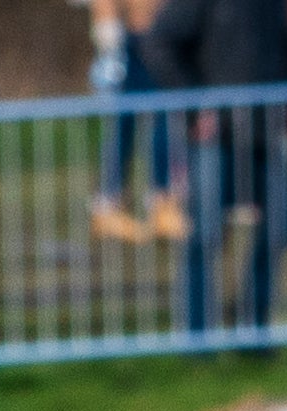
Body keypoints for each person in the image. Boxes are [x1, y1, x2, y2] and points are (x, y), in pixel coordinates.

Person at [143, 0, 287, 335]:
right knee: (204, 236)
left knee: (279, 229)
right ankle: (197, 337)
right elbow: (158, 42)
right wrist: (195, 105)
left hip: (265, 131)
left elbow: (284, 45)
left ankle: (253, 331)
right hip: (215, 139)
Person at [85, 0, 184, 244]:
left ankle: (162, 202)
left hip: (156, 36)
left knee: (163, 120)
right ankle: (108, 205)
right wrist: (108, 38)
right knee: (124, 123)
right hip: (131, 43)